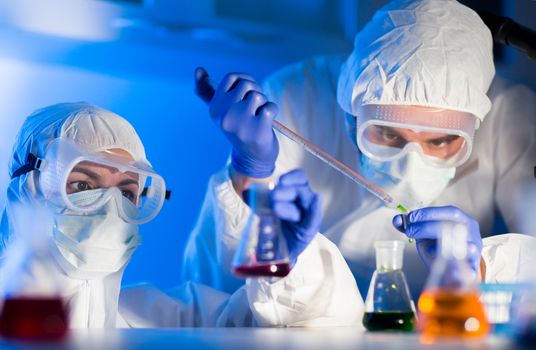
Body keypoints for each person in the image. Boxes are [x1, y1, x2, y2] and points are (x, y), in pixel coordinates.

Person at [183, 0, 536, 300]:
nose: (410, 168)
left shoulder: (511, 114)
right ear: (350, 115)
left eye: (441, 141)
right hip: (308, 320)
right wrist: (249, 170)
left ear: (476, 122)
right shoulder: (296, 95)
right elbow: (215, 292)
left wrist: (481, 266)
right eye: (386, 134)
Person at [0, 102, 363, 328]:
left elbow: (322, 328)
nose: (110, 207)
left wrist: (286, 264)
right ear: (26, 190)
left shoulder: (155, 321)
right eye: (82, 186)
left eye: (127, 192)